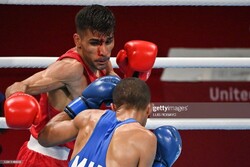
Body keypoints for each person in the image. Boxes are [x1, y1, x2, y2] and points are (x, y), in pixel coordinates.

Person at [4, 4, 158, 167]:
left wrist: (132, 76)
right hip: (45, 158)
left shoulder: (101, 61)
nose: (104, 51)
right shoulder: (71, 68)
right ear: (78, 41)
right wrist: (17, 100)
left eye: (109, 41)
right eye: (94, 43)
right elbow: (19, 86)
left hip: (79, 156)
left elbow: (120, 98)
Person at [37, 77, 182, 167]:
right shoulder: (146, 139)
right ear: (148, 109)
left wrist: (83, 103)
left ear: (113, 106)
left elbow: (44, 137)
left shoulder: (88, 117)